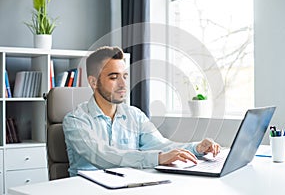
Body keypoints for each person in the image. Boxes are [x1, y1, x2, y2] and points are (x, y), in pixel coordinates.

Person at [63, 46, 220, 176]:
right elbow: (102, 155)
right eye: (113, 77)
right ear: (93, 82)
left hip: (128, 186)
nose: (123, 84)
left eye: (124, 76)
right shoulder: (76, 120)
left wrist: (196, 148)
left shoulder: (134, 115)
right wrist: (158, 158)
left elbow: (161, 145)